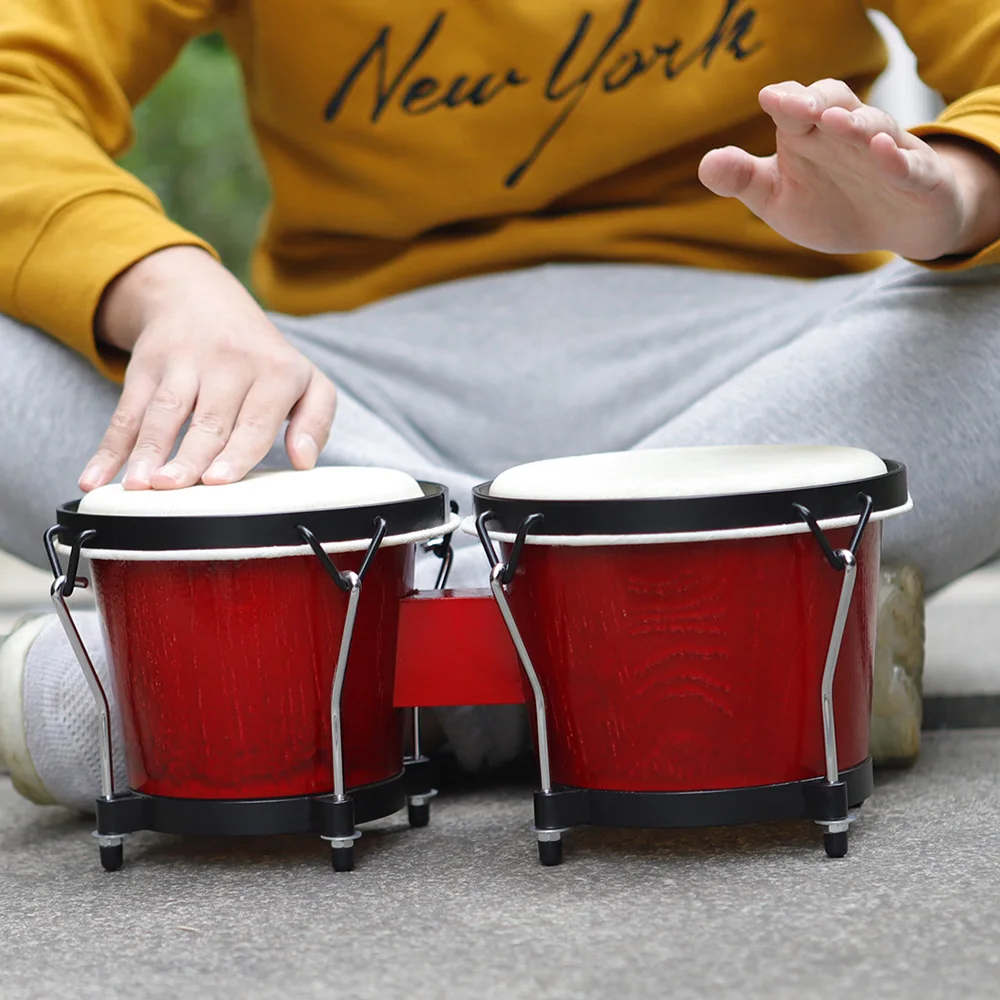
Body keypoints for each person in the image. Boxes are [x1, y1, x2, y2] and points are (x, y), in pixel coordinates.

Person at [2, 1, 1000, 810]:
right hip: (343, 408)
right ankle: (716, 646)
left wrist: (956, 192)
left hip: (766, 382)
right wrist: (160, 285)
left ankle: (280, 682)